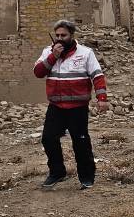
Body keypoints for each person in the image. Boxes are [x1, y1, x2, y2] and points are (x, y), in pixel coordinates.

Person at [32, 20, 108, 189]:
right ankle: (57, 172)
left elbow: (97, 76)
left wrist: (102, 98)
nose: (59, 39)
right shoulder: (48, 52)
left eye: (63, 35)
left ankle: (87, 177)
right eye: (57, 35)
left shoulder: (85, 53)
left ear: (71, 35)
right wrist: (53, 56)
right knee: (48, 139)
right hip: (56, 106)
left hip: (77, 107)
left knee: (81, 142)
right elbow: (38, 72)